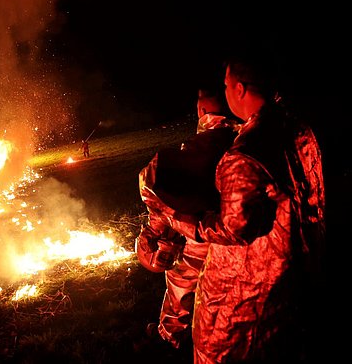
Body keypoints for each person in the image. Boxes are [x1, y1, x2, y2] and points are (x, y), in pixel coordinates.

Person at [140, 51, 326, 363]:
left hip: (251, 289)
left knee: (227, 350)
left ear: (239, 88)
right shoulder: (296, 128)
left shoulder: (243, 154)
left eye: (227, 86)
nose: (226, 93)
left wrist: (178, 217)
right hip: (300, 272)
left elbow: (234, 228)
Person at [135, 85, 239, 350]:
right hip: (223, 230)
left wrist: (160, 224)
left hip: (207, 232)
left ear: (202, 110)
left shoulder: (209, 140)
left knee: (181, 282)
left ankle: (172, 335)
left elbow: (160, 188)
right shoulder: (246, 135)